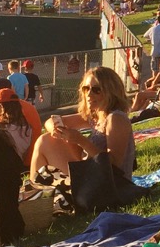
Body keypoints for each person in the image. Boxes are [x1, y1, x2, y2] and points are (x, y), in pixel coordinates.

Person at [30, 67, 137, 196]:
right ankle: (35, 193)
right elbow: (50, 121)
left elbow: (114, 164)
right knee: (46, 139)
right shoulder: (96, 116)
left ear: (111, 91)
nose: (89, 95)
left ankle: (34, 195)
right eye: (86, 89)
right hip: (93, 177)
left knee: (44, 142)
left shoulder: (116, 118)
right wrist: (56, 129)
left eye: (96, 90)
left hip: (111, 185)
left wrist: (81, 141)